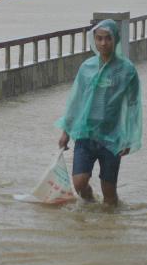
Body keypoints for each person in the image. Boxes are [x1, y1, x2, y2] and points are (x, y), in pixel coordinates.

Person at [56, 19, 142, 206]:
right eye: (99, 38)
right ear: (93, 40)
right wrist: (66, 132)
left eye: (108, 38)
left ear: (116, 39)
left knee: (109, 193)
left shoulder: (127, 70)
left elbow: (134, 106)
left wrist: (128, 137)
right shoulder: (86, 68)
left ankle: (109, 229)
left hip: (112, 138)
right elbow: (76, 101)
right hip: (85, 134)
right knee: (79, 183)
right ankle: (91, 205)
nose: (103, 43)